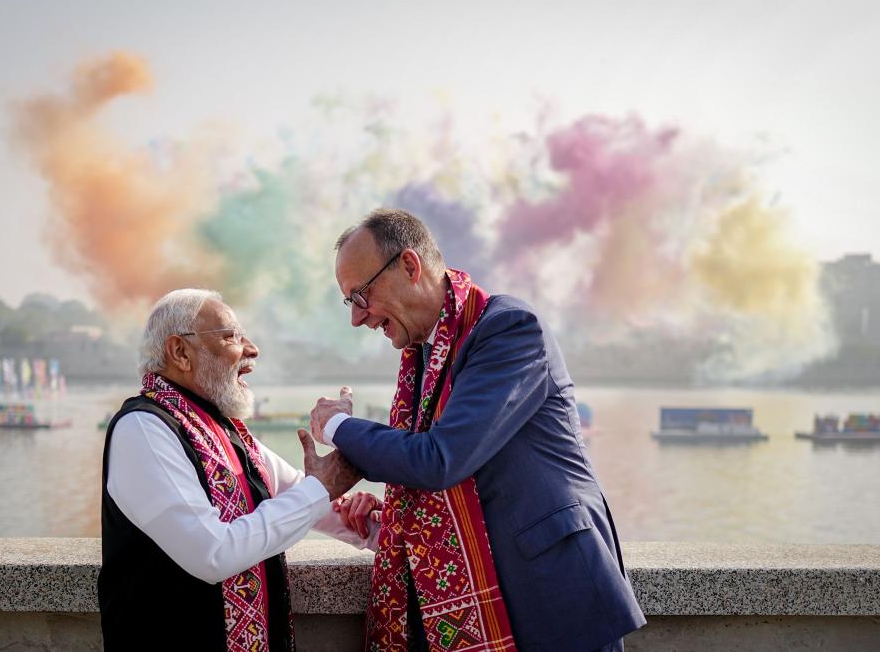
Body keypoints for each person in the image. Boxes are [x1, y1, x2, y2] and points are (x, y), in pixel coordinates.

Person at [311, 209, 646, 651]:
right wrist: (391, 520)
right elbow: (448, 474)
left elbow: (440, 458)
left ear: (410, 266)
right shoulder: (425, 356)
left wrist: (336, 425)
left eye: (361, 296)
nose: (358, 318)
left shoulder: (508, 329)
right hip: (502, 592)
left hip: (553, 595)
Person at [98, 289, 365, 651]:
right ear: (180, 352)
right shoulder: (143, 429)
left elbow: (305, 496)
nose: (251, 349)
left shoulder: (222, 429)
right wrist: (322, 488)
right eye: (231, 337)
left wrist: (374, 523)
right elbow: (212, 553)